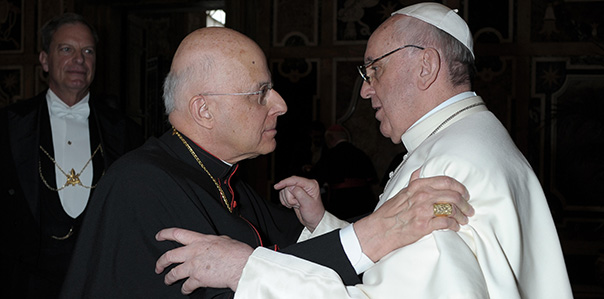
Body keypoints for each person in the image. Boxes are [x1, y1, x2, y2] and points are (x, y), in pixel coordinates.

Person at [154, 3, 573, 298]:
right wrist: (324, 224)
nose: (366, 88)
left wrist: (249, 271)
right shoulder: (469, 139)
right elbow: (405, 264)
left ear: (426, 66)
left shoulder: (448, 169)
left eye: (374, 68)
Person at [59, 26, 473, 298]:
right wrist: (375, 232)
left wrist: (323, 220)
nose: (280, 104)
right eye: (261, 93)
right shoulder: (140, 187)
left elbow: (293, 260)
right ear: (204, 111)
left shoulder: (227, 180)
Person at [0, 13, 143, 298]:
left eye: (87, 51)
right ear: (44, 60)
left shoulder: (126, 132)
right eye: (66, 49)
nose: (79, 59)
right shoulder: (8, 126)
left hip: (102, 285)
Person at [310, 124, 378, 219]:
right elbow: (372, 178)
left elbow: (317, 177)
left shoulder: (330, 155)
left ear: (330, 139)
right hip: (363, 199)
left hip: (340, 201)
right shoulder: (360, 153)